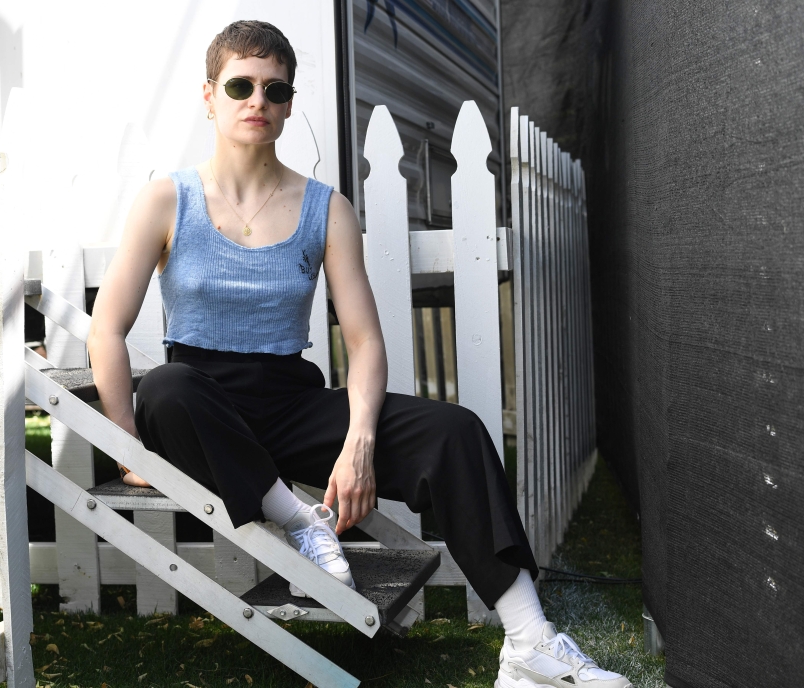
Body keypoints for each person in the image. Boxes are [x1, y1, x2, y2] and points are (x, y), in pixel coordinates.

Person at [87, 19, 633, 688]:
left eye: (274, 89)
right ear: (210, 96)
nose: (256, 101)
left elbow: (367, 342)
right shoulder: (168, 200)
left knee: (455, 432)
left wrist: (359, 440)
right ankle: (303, 522)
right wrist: (125, 445)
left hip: (289, 401)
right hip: (199, 408)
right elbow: (106, 328)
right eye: (240, 85)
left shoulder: (325, 209)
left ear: (288, 103)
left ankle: (529, 643)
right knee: (167, 387)